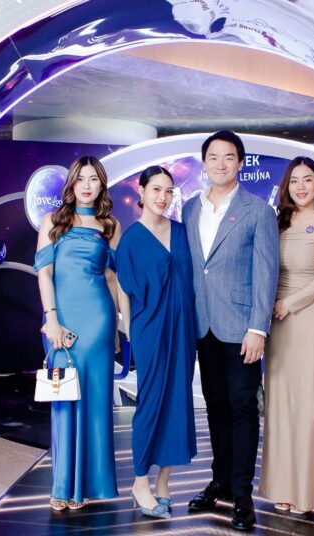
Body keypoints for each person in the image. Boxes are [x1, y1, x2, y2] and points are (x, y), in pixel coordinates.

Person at [183, 130, 280, 531]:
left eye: (228, 157)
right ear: (204, 163)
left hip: (242, 329)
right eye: (213, 157)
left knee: (242, 407)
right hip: (203, 324)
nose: (220, 164)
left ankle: (242, 492)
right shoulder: (189, 208)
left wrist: (258, 328)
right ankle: (219, 480)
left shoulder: (258, 211)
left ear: (240, 163)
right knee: (216, 405)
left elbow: (267, 273)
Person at [33, 155, 120, 511]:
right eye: (81, 178)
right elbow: (44, 273)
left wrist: (118, 327)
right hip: (61, 320)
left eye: (93, 179)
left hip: (99, 321)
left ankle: (87, 487)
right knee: (63, 399)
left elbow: (112, 279)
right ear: (71, 183)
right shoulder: (52, 221)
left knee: (96, 402)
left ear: (101, 185)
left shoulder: (110, 225)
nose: (87, 185)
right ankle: (63, 485)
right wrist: (51, 319)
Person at [259, 157, 314, 515]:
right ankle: (284, 485)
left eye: (308, 180)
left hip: (312, 317)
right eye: (294, 180)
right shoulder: (277, 223)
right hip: (278, 321)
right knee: (282, 403)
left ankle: (311, 490)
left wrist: (290, 304)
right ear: (286, 186)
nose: (300, 187)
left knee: (311, 402)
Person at [116, 166, 198, 519]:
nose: (163, 197)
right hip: (149, 329)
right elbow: (123, 288)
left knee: (177, 403)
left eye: (168, 191)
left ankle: (163, 482)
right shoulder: (131, 239)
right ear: (142, 191)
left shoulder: (181, 232)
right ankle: (139, 482)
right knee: (150, 403)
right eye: (156, 190)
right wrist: (130, 330)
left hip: (184, 329)